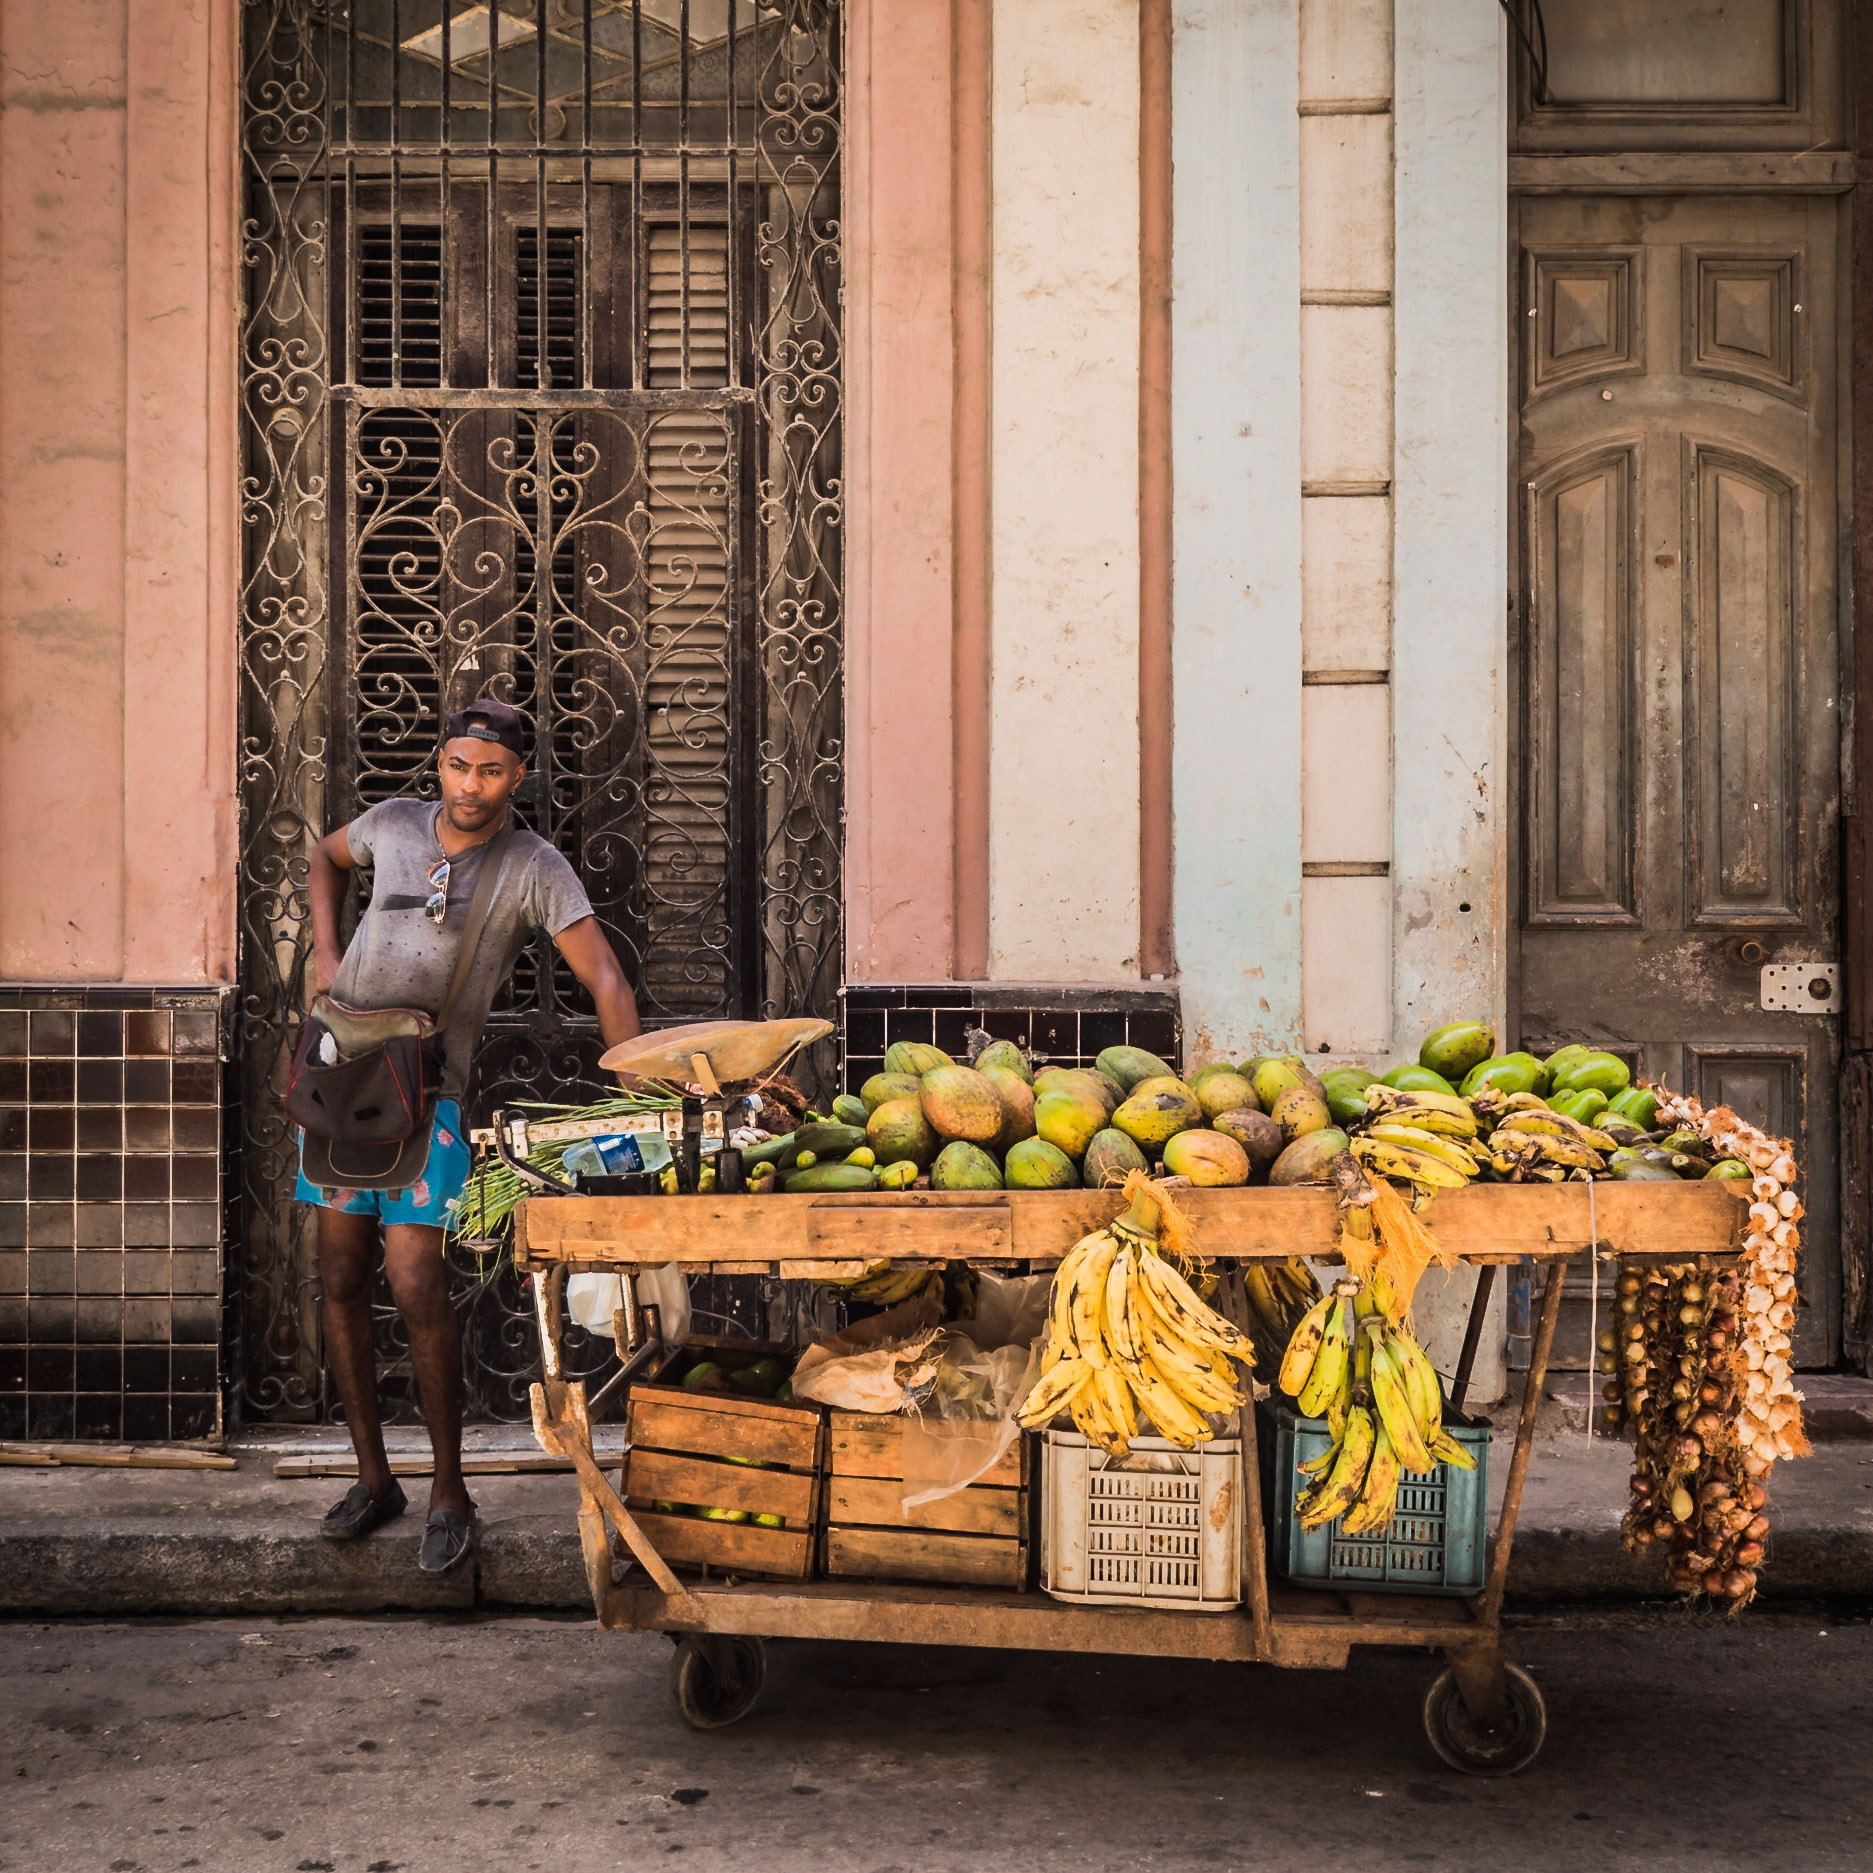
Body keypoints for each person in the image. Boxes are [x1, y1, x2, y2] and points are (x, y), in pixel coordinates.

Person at [299, 698, 641, 1572]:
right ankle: (375, 1478)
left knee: (415, 1279)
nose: (471, 785)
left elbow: (601, 970)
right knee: (337, 1273)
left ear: (517, 776)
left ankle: (449, 1487)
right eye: (459, 766)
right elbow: (324, 857)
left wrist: (634, 1090)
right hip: (337, 1080)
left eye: (490, 771)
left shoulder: (535, 865)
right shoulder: (391, 823)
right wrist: (324, 952)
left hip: (427, 1096)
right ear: (440, 764)